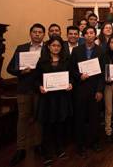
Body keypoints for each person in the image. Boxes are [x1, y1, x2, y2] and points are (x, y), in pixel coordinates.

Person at [7, 23, 46, 166]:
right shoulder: (21, 48)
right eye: (34, 32)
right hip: (24, 89)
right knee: (22, 119)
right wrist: (21, 71)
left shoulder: (47, 49)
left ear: (44, 35)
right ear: (30, 34)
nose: (37, 34)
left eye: (40, 32)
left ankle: (38, 145)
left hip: (40, 89)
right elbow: (10, 68)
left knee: (38, 119)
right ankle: (20, 148)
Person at [36, 36, 73, 166]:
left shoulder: (66, 61)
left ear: (61, 48)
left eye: (58, 46)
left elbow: (72, 77)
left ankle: (59, 149)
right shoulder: (42, 62)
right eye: (53, 45)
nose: (56, 48)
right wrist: (39, 86)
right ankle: (47, 153)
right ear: (48, 47)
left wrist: (70, 84)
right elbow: (36, 79)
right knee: (47, 126)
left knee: (60, 123)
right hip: (47, 99)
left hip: (61, 97)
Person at [69, 26, 105, 157]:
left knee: (94, 118)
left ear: (95, 35)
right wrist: (79, 76)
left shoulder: (101, 51)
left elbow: (102, 73)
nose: (90, 35)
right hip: (80, 89)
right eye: (87, 33)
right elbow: (71, 69)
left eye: (92, 33)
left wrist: (100, 90)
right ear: (83, 36)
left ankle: (94, 142)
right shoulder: (76, 50)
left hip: (95, 90)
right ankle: (80, 144)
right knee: (80, 118)